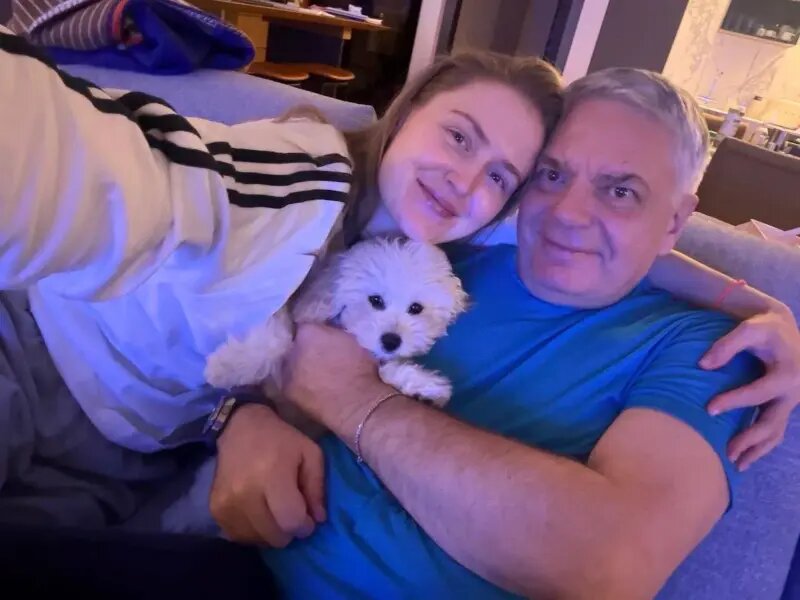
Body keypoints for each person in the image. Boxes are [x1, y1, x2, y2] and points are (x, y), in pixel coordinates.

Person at [0, 26, 797, 538]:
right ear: (406, 112)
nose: (466, 180)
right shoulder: (298, 174)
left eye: (503, 174)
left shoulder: (457, 231)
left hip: (132, 458)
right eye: (459, 136)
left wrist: (765, 304)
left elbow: (597, 234)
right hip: (36, 360)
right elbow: (117, 174)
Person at [257, 68, 800, 598]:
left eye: (620, 191)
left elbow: (610, 567)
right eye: (552, 175)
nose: (568, 213)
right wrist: (241, 424)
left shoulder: (710, 347)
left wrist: (352, 400)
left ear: (675, 222)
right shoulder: (452, 248)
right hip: (247, 552)